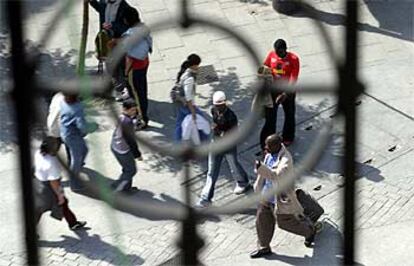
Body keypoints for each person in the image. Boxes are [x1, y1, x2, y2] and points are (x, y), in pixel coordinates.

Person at [250, 134, 315, 259]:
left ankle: (309, 231)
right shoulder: (269, 154)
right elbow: (264, 174)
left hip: (280, 199)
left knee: (285, 223)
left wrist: (260, 168)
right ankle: (264, 247)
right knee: (262, 220)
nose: (265, 147)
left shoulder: (286, 160)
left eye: (268, 145)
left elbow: (276, 175)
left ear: (276, 146)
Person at [197, 91, 252, 207]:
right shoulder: (213, 110)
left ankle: (243, 182)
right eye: (216, 106)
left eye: (220, 106)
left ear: (225, 104)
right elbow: (216, 123)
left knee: (234, 165)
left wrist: (221, 132)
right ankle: (205, 199)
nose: (217, 108)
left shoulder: (231, 117)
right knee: (211, 172)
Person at [33, 137, 87, 231]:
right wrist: (60, 195)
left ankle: (73, 223)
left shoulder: (39, 153)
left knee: (40, 209)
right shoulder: (52, 163)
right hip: (48, 189)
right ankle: (73, 223)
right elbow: (54, 182)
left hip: (39, 183)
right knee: (58, 204)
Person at [260, 39, 299, 150]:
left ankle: (288, 137)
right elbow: (265, 66)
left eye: (280, 52)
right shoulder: (272, 55)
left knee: (289, 114)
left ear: (285, 49)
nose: (278, 54)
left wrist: (285, 94)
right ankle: (270, 140)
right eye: (276, 51)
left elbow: (293, 78)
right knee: (270, 116)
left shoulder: (294, 59)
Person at [123, 7, 152, 128]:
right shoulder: (143, 28)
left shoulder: (129, 35)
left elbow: (129, 57)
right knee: (142, 89)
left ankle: (142, 119)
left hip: (134, 68)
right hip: (144, 63)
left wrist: (125, 72)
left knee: (137, 94)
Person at [111, 99, 142, 192]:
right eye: (132, 110)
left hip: (115, 146)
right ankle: (118, 187)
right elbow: (131, 141)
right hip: (123, 149)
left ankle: (126, 188)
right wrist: (137, 155)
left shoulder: (121, 117)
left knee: (127, 168)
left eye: (135, 110)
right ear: (125, 108)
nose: (134, 112)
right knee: (131, 170)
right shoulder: (127, 122)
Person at [174, 54, 207, 142]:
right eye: (198, 65)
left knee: (179, 123)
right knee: (202, 121)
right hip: (186, 104)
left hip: (180, 102)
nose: (199, 67)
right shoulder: (190, 79)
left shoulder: (185, 71)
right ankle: (204, 141)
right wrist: (193, 112)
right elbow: (188, 97)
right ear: (194, 65)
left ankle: (177, 143)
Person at [60, 93, 88, 192]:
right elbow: (82, 126)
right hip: (73, 136)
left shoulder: (63, 101)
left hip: (65, 132)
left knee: (84, 150)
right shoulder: (78, 107)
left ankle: (76, 168)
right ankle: (75, 184)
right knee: (77, 159)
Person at [46, 92, 71, 164]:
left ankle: (47, 160)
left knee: (57, 145)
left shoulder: (57, 96)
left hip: (52, 124)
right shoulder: (65, 100)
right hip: (59, 126)